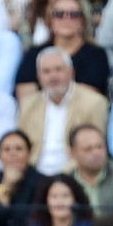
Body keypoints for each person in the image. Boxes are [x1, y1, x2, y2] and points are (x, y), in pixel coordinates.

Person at [17, 47, 107, 176]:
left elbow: (96, 149)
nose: (53, 76)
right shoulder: (28, 105)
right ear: (39, 77)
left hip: (74, 174)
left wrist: (61, 177)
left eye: (58, 69)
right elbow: (20, 146)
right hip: (33, 174)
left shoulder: (94, 103)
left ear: (72, 73)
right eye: (46, 71)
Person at [13, 0, 111, 100]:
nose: (66, 18)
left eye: (74, 14)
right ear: (50, 20)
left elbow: (88, 99)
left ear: (82, 21)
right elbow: (26, 98)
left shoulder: (96, 55)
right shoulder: (34, 54)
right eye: (59, 14)